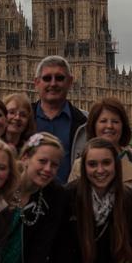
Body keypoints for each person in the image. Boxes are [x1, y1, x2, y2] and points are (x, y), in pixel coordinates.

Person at [54, 137, 132, 263]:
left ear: (116, 165)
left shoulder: (131, 202)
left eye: (106, 163)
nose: (100, 170)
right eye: (92, 164)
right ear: (84, 167)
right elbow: (60, 253)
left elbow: (127, 254)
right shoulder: (67, 196)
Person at [0, 132, 68, 263]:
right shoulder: (2, 185)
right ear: (26, 157)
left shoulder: (54, 195)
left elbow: (40, 250)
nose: (48, 169)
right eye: (42, 161)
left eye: (54, 165)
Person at [68, 97, 132, 228]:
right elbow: (71, 208)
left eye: (115, 121)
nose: (109, 126)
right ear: (93, 125)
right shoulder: (79, 165)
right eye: (103, 121)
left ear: (123, 126)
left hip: (128, 242)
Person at [32, 55, 87, 183]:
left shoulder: (88, 123)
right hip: (30, 200)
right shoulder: (20, 120)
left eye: (59, 78)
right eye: (46, 78)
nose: (53, 83)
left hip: (72, 199)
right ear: (36, 82)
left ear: (70, 81)